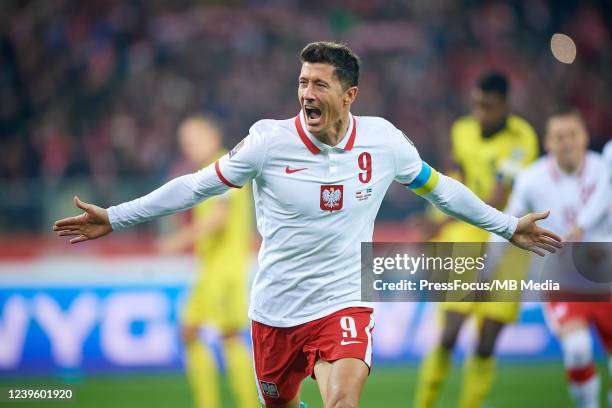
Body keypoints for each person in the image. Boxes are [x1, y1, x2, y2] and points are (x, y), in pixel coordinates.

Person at [53, 42, 561, 408]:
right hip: (275, 310)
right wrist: (116, 217)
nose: (306, 93)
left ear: (350, 95)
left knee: (342, 401)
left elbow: (442, 190)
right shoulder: (267, 142)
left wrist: (505, 225)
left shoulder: (384, 142)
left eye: (319, 83)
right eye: (302, 82)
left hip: (344, 302)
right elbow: (194, 186)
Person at [414, 72, 539, 408]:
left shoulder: (521, 137)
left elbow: (499, 197)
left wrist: (449, 216)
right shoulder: (462, 130)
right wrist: (435, 221)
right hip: (466, 237)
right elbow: (454, 181)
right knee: (450, 333)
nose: (481, 114)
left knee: (486, 342)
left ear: (505, 106)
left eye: (489, 107)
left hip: (508, 240)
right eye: (477, 105)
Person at [503, 108, 611, 408]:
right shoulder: (531, 178)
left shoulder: (606, 169)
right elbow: (507, 222)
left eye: (572, 135)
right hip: (564, 279)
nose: (566, 142)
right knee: (577, 349)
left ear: (585, 137)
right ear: (547, 143)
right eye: (559, 136)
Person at [156, 116, 258, 408]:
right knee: (201, 333)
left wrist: (178, 240)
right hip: (213, 268)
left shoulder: (225, 166)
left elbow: (218, 220)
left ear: (212, 136)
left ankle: (243, 404)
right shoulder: (210, 171)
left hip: (225, 270)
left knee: (222, 335)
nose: (188, 147)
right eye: (184, 143)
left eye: (193, 139)